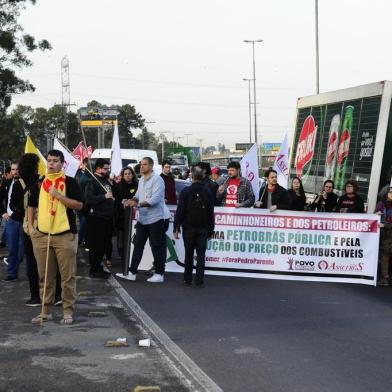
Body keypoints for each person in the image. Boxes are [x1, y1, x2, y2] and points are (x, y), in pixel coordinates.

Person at [28, 149, 83, 325]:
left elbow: (79, 205)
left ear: (62, 164)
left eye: (55, 161)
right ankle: (45, 311)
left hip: (64, 235)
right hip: (42, 235)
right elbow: (31, 204)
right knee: (45, 276)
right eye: (49, 160)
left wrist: (58, 195)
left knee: (67, 277)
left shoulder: (70, 182)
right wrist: (30, 227)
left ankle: (68, 311)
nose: (51, 163)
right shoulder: (39, 182)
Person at [15, 153, 62, 306]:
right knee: (52, 261)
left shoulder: (18, 183)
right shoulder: (42, 180)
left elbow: (12, 206)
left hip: (29, 228)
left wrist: (24, 218)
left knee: (32, 263)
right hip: (46, 224)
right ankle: (56, 296)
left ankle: (35, 296)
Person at [122, 157, 166, 283]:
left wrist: (138, 204)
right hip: (142, 219)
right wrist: (131, 200)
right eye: (141, 164)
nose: (141, 166)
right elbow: (137, 196)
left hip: (155, 219)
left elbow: (155, 200)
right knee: (137, 245)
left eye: (144, 165)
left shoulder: (158, 180)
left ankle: (159, 273)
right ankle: (132, 272)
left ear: (151, 166)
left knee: (156, 246)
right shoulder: (141, 179)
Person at [174, 166, 215, 287]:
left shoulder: (186, 191)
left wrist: (176, 227)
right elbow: (210, 213)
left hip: (188, 227)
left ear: (191, 176)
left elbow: (180, 211)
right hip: (203, 227)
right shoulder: (207, 191)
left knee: (189, 253)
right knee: (201, 254)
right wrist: (211, 229)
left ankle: (187, 279)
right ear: (202, 176)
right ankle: (199, 280)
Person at [84, 158, 115, 278]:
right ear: (98, 168)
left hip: (107, 218)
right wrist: (104, 196)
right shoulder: (92, 182)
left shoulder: (105, 180)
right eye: (106, 168)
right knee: (96, 245)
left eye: (108, 168)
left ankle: (98, 266)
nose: (108, 171)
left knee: (103, 245)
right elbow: (89, 199)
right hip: (97, 218)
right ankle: (94, 269)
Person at [2, 161, 24, 281]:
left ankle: (17, 261)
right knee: (12, 248)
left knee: (21, 249)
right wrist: (3, 212)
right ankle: (12, 273)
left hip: (22, 219)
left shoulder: (24, 183)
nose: (15, 172)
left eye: (17, 169)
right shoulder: (7, 183)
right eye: (13, 170)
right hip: (10, 220)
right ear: (11, 171)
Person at [114, 166, 138, 259]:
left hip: (135, 217)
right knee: (121, 238)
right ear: (123, 176)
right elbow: (115, 200)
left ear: (133, 175)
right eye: (125, 174)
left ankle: (132, 255)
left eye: (129, 173)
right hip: (122, 217)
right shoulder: (118, 186)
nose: (128, 175)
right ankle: (123, 256)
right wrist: (121, 202)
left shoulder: (138, 185)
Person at [375, 188, 392, 286]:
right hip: (382, 234)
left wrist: (384, 225)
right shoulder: (380, 204)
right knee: (384, 256)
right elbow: (373, 217)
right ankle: (384, 278)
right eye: (390, 192)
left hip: (389, 233)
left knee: (385, 255)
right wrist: (376, 215)